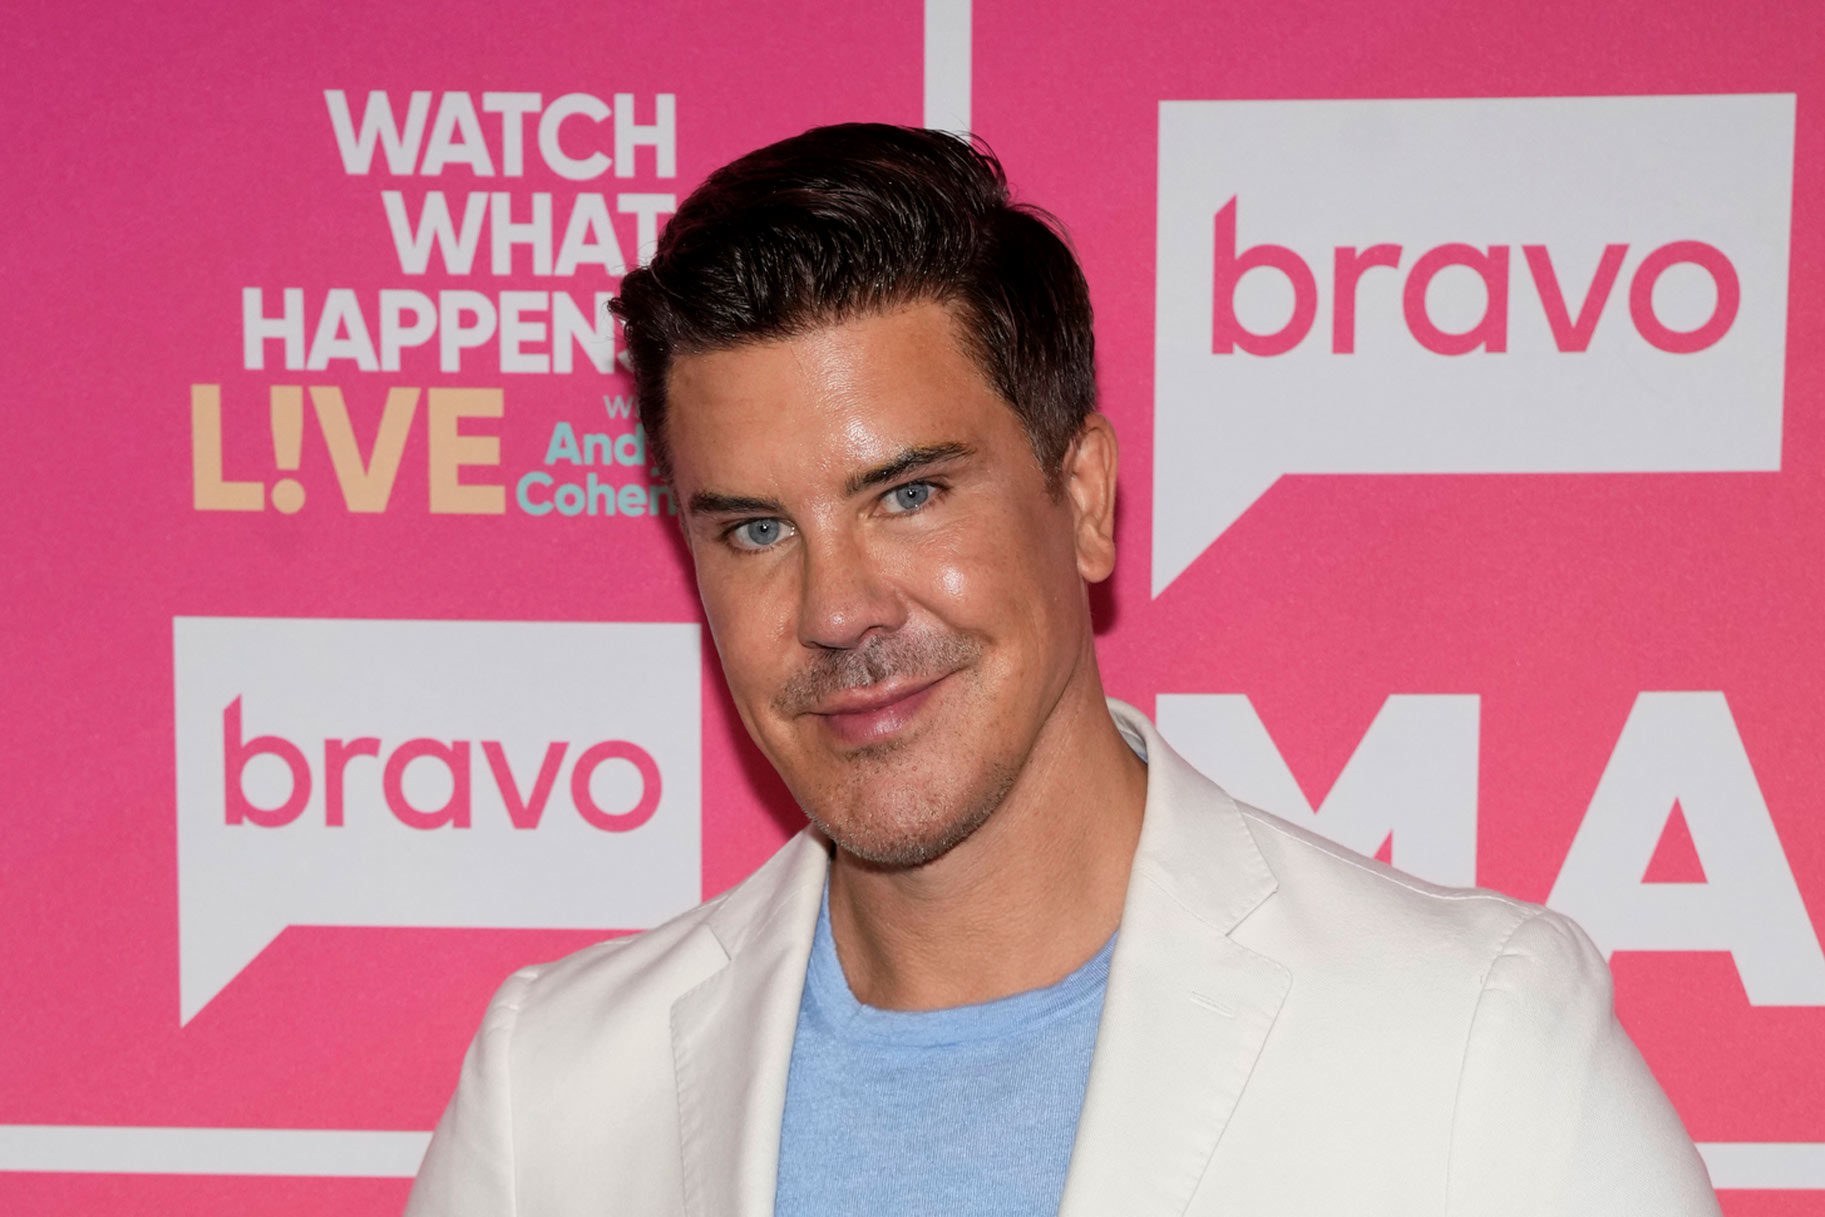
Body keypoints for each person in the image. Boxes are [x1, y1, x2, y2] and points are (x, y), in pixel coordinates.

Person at [405, 124, 1719, 1217]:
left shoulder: (1468, 1044)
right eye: (754, 529)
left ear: (1081, 498)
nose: (837, 607)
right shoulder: (556, 1090)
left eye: (910, 493)